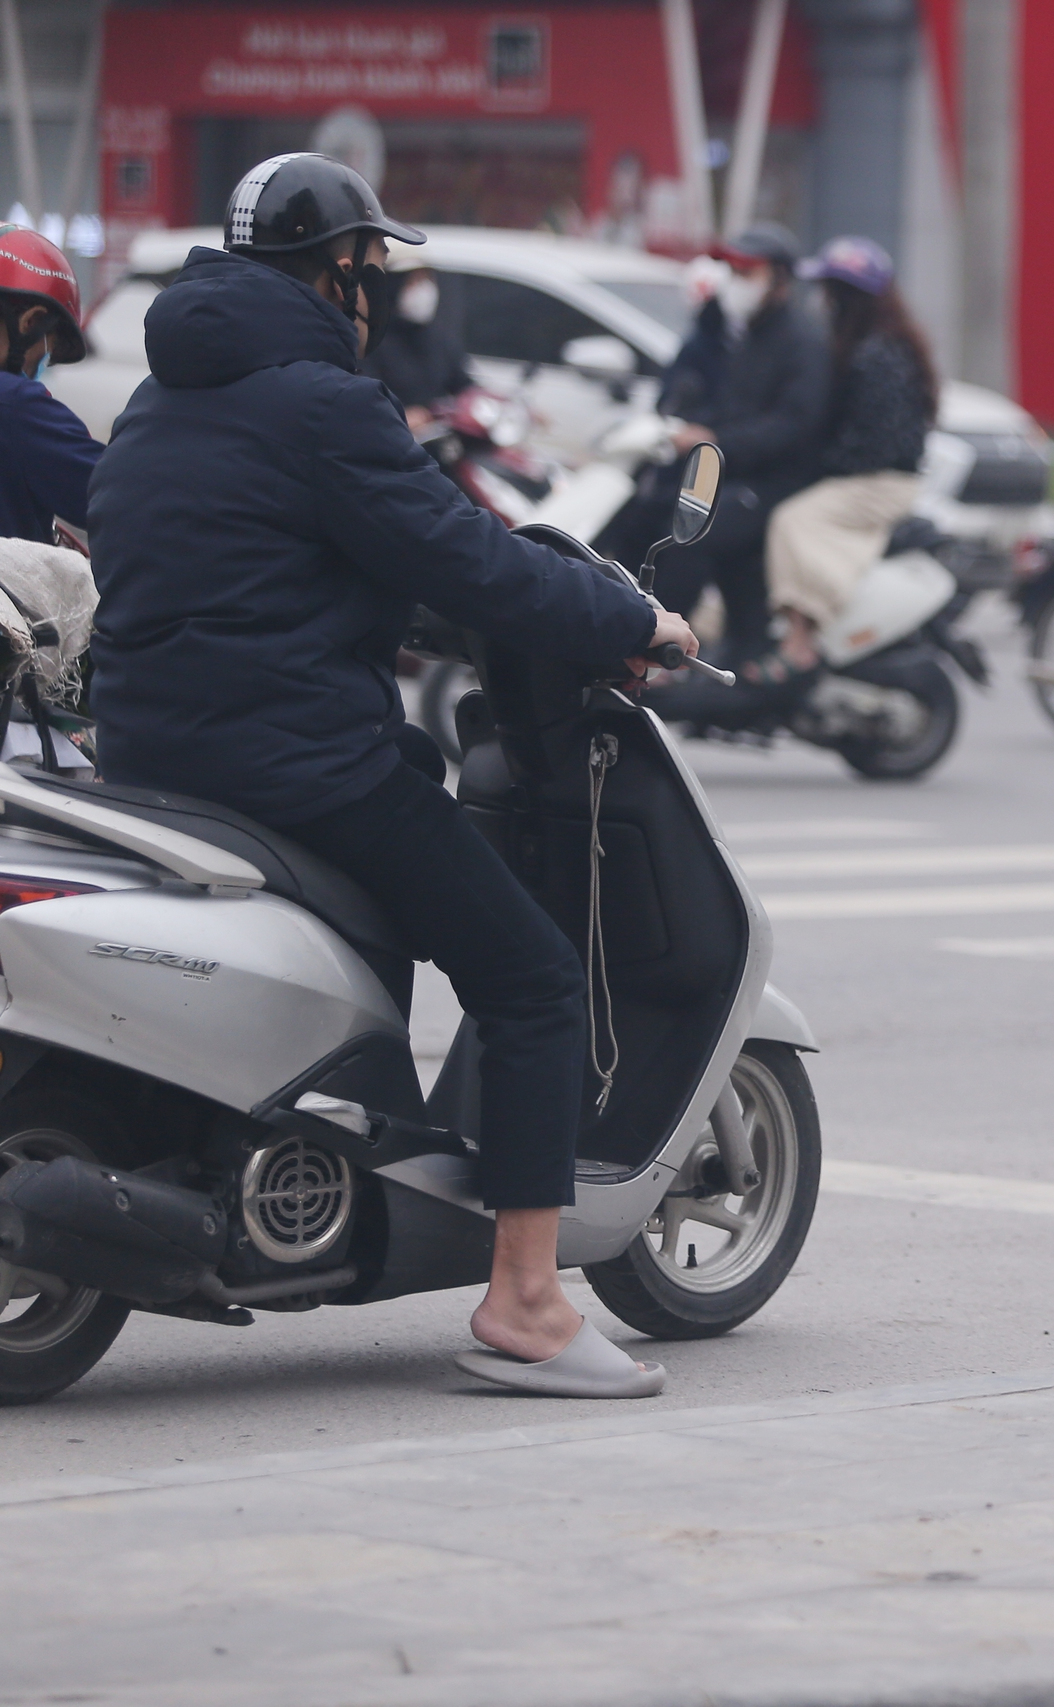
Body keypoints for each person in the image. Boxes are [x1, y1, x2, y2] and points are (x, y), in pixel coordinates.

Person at [85, 153, 697, 1398]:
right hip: (296, 758)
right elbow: (473, 557)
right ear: (346, 271)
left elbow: (285, 569)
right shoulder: (324, 401)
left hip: (150, 750)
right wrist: (629, 623)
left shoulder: (165, 397)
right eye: (372, 270)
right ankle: (527, 1299)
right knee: (530, 979)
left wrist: (416, 618)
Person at [755, 236, 939, 680]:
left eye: (831, 291)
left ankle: (800, 642)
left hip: (880, 484)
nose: (822, 300)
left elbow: (879, 444)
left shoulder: (880, 355)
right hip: (866, 478)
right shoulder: (867, 346)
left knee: (794, 520)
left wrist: (817, 462)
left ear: (848, 298)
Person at [653, 224, 830, 663]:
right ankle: (741, 656)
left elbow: (792, 425)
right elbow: (733, 408)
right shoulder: (749, 334)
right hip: (739, 474)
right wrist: (686, 427)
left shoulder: (802, 342)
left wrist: (715, 439)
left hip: (780, 482)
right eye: (732, 270)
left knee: (691, 535)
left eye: (748, 272)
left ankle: (664, 651)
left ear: (781, 281)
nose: (736, 281)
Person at [0, 224, 99, 546]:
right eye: (49, 348)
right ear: (31, 322)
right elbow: (123, 502)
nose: (43, 362)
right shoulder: (16, 406)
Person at [360, 258, 474, 430]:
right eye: (414, 281)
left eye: (427, 280)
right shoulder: (370, 339)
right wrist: (400, 414)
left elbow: (464, 385)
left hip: (440, 438)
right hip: (391, 439)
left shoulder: (437, 337)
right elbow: (365, 397)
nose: (424, 290)